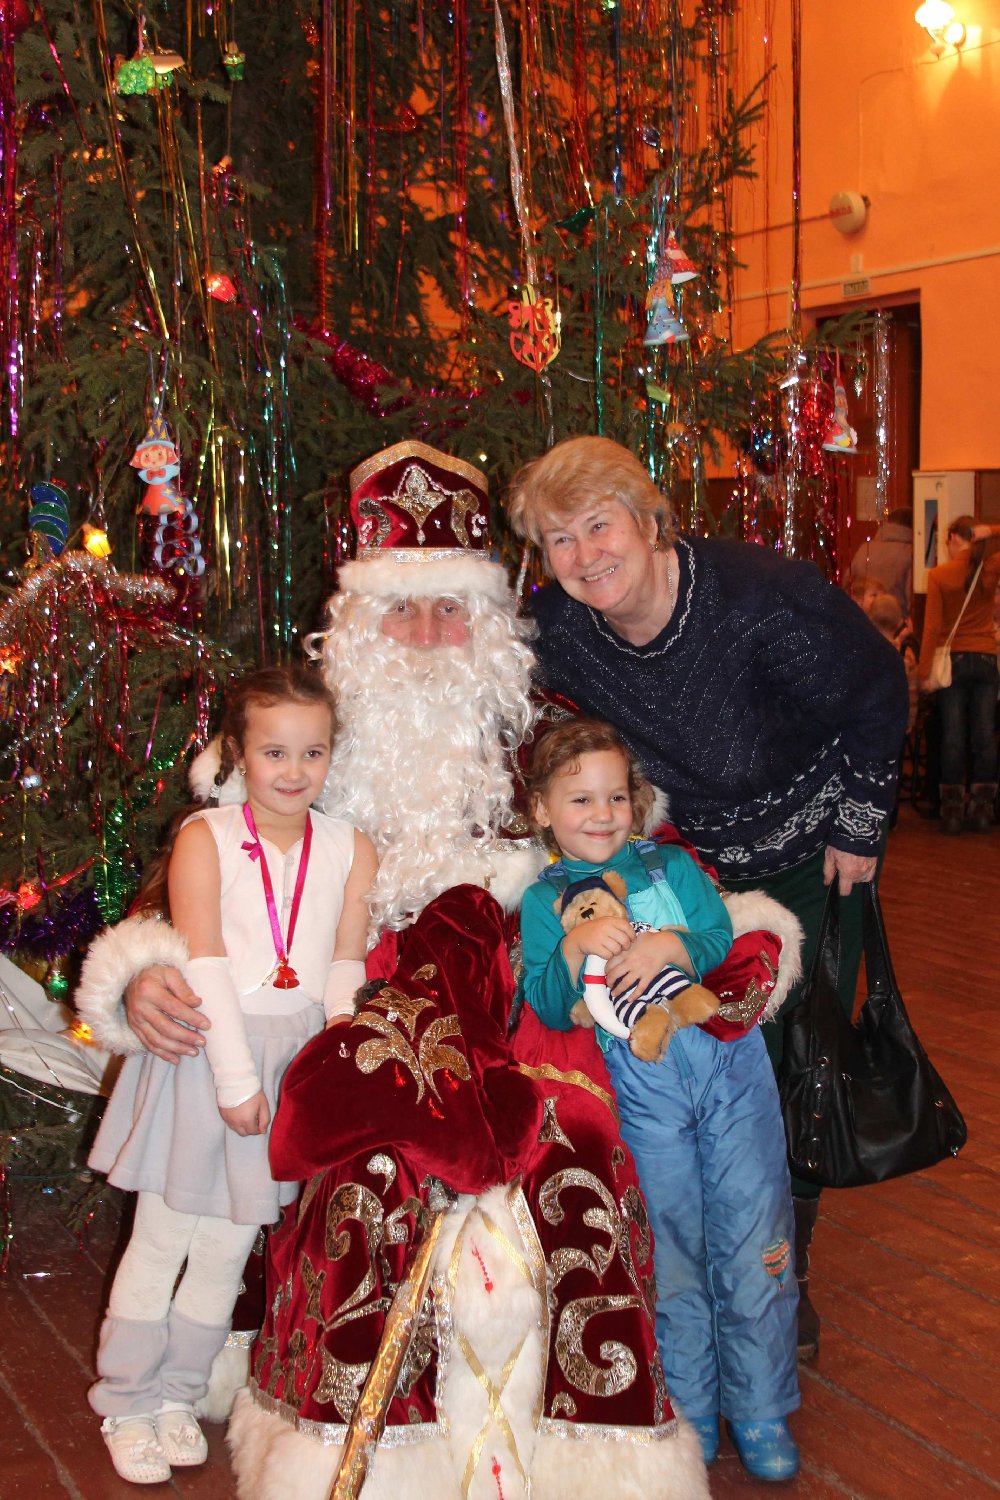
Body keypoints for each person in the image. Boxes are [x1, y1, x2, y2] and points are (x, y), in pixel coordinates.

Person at [76, 442, 717, 1500]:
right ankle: (342, 1449)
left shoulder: (543, 742)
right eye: (400, 609)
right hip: (330, 1011)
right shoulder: (300, 742)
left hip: (519, 997)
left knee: (574, 1157)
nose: (424, 635)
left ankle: (591, 1457)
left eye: (449, 610)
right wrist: (140, 976)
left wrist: (689, 938)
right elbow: (193, 882)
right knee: (364, 1177)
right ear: (357, 624)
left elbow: (647, 858)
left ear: (490, 624)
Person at [507, 434, 910, 1364]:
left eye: (599, 525)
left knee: (795, 1062)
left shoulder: (763, 597)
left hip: (810, 855)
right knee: (699, 1056)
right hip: (681, 871)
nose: (584, 555)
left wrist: (860, 822)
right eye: (559, 539)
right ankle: (687, 1268)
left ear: (650, 521)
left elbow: (877, 689)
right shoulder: (562, 629)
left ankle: (779, 1275)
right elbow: (483, 670)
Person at [80, 667, 377, 1486]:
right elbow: (205, 956)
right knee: (164, 1236)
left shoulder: (350, 846)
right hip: (209, 1050)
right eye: (274, 751)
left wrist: (339, 1049)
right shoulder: (205, 838)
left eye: (313, 751)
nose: (294, 770)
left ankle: (178, 1394)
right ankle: (125, 1401)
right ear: (237, 754)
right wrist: (235, 1082)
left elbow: (344, 961)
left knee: (227, 1246)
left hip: (291, 1060)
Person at [520, 719, 800, 1480]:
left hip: (727, 1065)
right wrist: (574, 948)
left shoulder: (671, 864)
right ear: (542, 808)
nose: (603, 814)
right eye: (581, 799)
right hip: (640, 1085)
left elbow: (714, 936)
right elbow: (545, 1002)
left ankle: (762, 1402)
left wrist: (670, 946)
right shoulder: (544, 901)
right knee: (669, 1239)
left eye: (616, 796)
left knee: (751, 1222)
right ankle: (690, 1402)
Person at [918, 516, 1000, 834]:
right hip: (987, 658)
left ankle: (951, 809)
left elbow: (932, 628)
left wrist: (924, 672)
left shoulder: (940, 575)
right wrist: (991, 531)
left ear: (953, 538)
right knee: (984, 735)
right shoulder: (989, 569)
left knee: (952, 734)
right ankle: (982, 807)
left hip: (953, 661)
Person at [850, 507, 914, 617]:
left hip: (862, 619)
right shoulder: (911, 553)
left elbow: (849, 586)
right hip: (894, 621)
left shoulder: (864, 549)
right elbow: (911, 600)